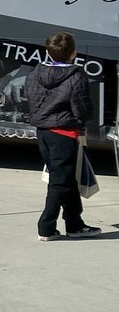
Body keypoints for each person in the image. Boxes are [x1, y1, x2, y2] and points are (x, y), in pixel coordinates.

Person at [24, 31, 102, 241]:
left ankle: (74, 224)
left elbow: (30, 98)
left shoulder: (35, 73)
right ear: (73, 53)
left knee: (65, 179)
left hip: (43, 131)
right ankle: (46, 226)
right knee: (60, 181)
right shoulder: (76, 76)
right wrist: (81, 121)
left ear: (47, 51)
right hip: (64, 132)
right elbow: (82, 108)